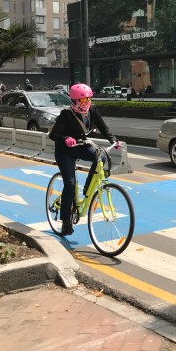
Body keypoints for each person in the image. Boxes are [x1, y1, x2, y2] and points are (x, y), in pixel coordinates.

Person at [48, 83, 118, 236]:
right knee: (70, 184)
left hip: (81, 147)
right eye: (82, 100)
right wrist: (65, 138)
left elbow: (103, 127)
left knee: (101, 156)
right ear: (74, 101)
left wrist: (114, 141)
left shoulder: (92, 110)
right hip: (65, 152)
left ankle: (87, 188)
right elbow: (53, 135)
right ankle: (66, 222)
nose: (86, 103)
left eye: (88, 99)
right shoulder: (66, 115)